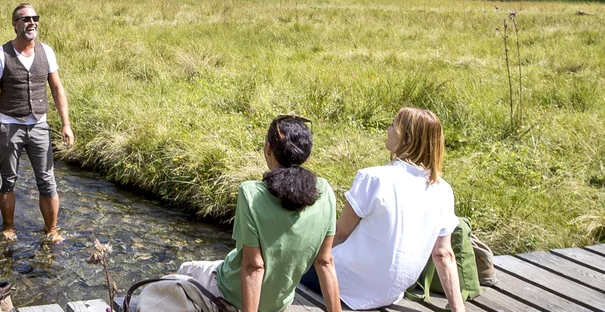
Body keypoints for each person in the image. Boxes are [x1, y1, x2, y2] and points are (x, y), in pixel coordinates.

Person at [172, 115, 341, 312]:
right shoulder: (324, 190)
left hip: (234, 294)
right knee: (221, 264)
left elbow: (254, 267)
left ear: (268, 148)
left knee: (185, 269)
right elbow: (325, 262)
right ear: (306, 153)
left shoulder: (251, 193)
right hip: (280, 302)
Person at [305, 106, 464, 311]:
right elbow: (443, 254)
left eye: (393, 126)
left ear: (406, 139)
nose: (388, 130)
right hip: (390, 292)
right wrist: (458, 308)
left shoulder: (373, 178)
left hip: (344, 283)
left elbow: (341, 233)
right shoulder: (443, 190)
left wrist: (302, 250)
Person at [0, 2, 75, 242]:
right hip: (9, 126)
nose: (32, 22)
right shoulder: (0, 55)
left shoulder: (47, 52)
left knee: (47, 180)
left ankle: (51, 230)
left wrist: (66, 124)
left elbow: (56, 87)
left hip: (39, 126)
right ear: (15, 25)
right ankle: (8, 227)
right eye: (25, 19)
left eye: (35, 18)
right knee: (7, 180)